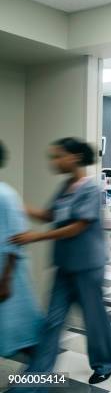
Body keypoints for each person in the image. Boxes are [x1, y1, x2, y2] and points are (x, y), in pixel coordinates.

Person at [11, 137, 111, 384]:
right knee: (51, 322)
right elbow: (51, 215)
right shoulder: (66, 186)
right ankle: (34, 380)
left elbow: (77, 227)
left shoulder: (90, 188)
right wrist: (16, 205)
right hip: (65, 266)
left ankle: (106, 363)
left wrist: (35, 237)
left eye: (58, 156)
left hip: (88, 267)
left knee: (94, 319)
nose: (54, 161)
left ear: (75, 157)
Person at [0, 141, 43, 359]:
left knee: (25, 332)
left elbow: (16, 239)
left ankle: (42, 377)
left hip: (10, 273)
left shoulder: (5, 195)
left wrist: (6, 280)